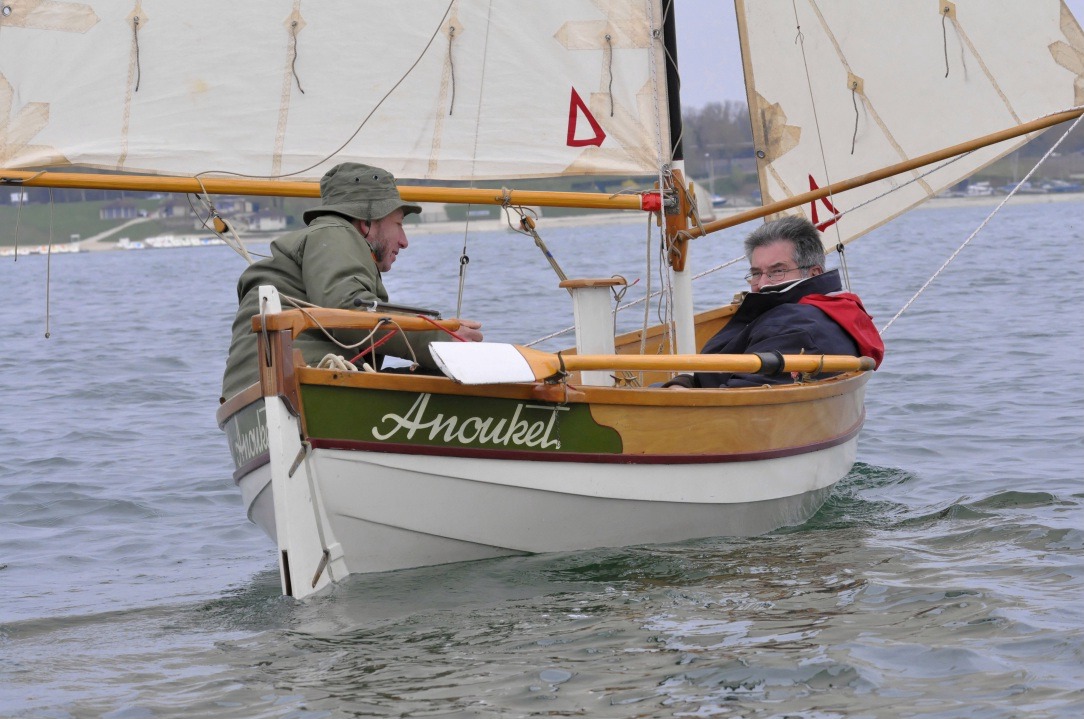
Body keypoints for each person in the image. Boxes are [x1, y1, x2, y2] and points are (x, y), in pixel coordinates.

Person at [221, 162, 483, 400]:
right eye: (399, 224)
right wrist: (444, 341)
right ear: (366, 222)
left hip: (252, 398)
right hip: (298, 387)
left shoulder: (321, 241)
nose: (404, 241)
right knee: (466, 388)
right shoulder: (335, 233)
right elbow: (349, 312)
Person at [664, 215, 883, 389]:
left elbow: (740, 398)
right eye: (756, 273)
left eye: (777, 271)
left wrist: (680, 387)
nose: (762, 283)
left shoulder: (796, 324)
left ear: (814, 272)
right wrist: (683, 383)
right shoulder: (826, 310)